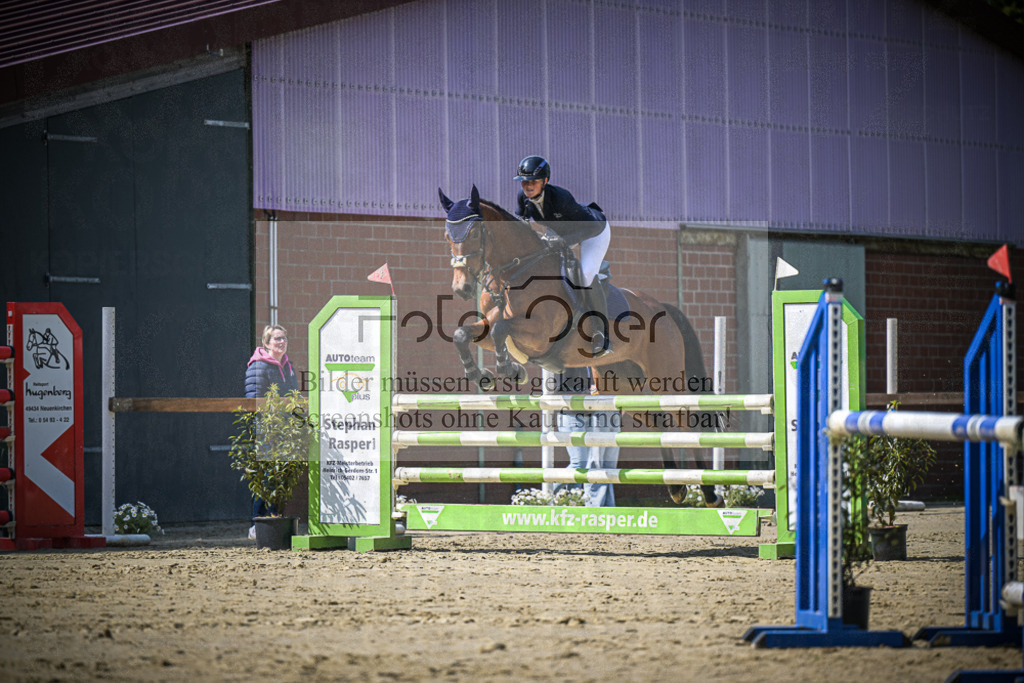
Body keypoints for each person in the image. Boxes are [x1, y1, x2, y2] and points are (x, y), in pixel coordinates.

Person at [514, 155, 612, 357]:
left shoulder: (561, 198)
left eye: (533, 181)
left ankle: (602, 334)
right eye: (524, 182)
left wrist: (563, 242)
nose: (528, 186)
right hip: (562, 233)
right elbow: (521, 226)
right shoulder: (523, 198)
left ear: (545, 181)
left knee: (585, 274)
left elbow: (589, 228)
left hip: (594, 230)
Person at [244, 324, 299, 538]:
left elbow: (293, 397)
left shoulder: (288, 366)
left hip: (285, 429)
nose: (282, 342)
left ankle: (275, 517)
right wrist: (265, 428)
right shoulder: (258, 367)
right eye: (277, 339)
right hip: (266, 429)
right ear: (267, 343)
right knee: (266, 477)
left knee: (280, 476)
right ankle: (255, 524)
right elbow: (254, 401)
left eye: (284, 338)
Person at [551, 366, 621, 507]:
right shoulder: (565, 360)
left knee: (592, 465)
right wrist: (590, 393)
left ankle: (569, 504)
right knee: (579, 463)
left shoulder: (591, 361)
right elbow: (559, 389)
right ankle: (548, 493)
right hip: (571, 415)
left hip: (589, 415)